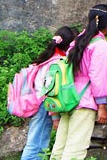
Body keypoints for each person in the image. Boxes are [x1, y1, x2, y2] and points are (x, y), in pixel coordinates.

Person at [50, 4, 107, 160]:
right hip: (84, 101)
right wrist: (101, 105)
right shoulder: (100, 45)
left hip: (68, 98)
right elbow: (97, 77)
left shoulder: (77, 41)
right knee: (75, 151)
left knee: (59, 149)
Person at [21, 26, 77, 160]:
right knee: (37, 144)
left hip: (38, 102)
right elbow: (51, 91)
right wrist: (55, 117)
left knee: (37, 141)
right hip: (44, 106)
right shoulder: (57, 62)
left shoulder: (47, 58)